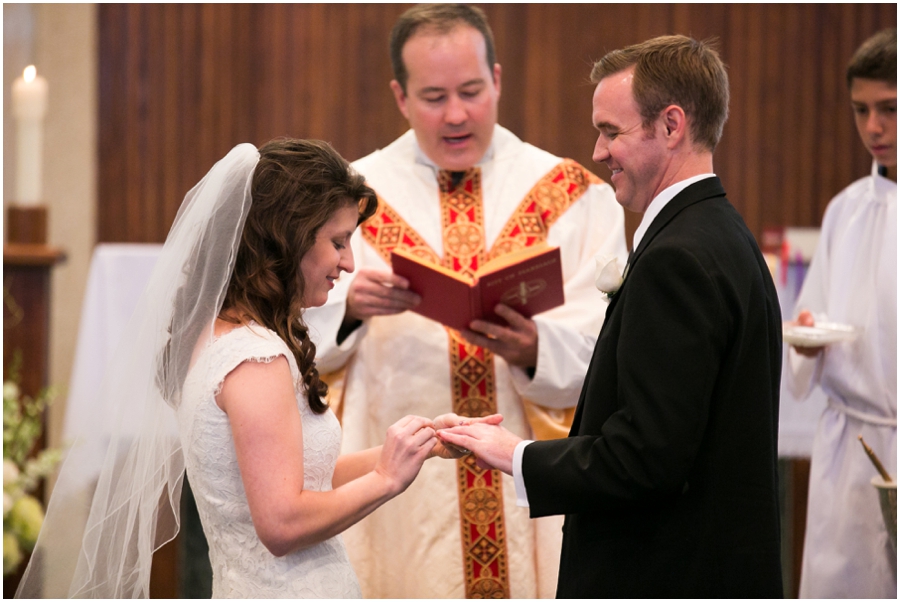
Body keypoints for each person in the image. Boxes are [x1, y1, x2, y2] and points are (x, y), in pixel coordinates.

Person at [16, 138, 484, 598]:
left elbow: (299, 480)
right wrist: (386, 480)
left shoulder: (223, 336)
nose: (349, 262)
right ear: (289, 238)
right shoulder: (255, 358)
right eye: (338, 241)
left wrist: (417, 448)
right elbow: (281, 524)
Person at [440, 35, 785, 597]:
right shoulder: (722, 233)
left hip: (665, 574)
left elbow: (645, 460)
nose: (598, 152)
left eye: (611, 131)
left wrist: (514, 454)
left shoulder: (676, 259)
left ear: (671, 126)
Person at [306, 4, 627, 598]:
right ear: (400, 97)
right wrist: (348, 307)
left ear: (498, 80)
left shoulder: (574, 195)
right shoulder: (350, 193)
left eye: (472, 91)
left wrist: (536, 348)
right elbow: (289, 329)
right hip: (395, 479)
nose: (456, 114)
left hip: (520, 475)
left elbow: (609, 339)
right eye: (433, 97)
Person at [786, 28, 897, 599]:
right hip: (850, 446)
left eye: (889, 109)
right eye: (861, 110)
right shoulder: (844, 210)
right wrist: (806, 342)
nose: (873, 128)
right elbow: (814, 319)